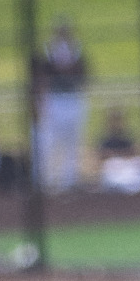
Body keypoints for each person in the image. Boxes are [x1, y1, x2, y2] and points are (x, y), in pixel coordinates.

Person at [32, 18, 90, 192]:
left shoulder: (77, 52)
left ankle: (69, 180)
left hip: (73, 99)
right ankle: (46, 181)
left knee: (72, 141)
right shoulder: (48, 52)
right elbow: (42, 78)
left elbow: (84, 77)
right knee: (49, 141)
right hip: (54, 99)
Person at [97, 107, 140, 195]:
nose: (116, 123)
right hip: (114, 169)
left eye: (118, 120)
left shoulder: (126, 136)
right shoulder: (105, 138)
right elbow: (102, 157)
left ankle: (132, 186)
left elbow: (133, 153)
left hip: (126, 166)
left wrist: (121, 156)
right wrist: (118, 156)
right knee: (114, 162)